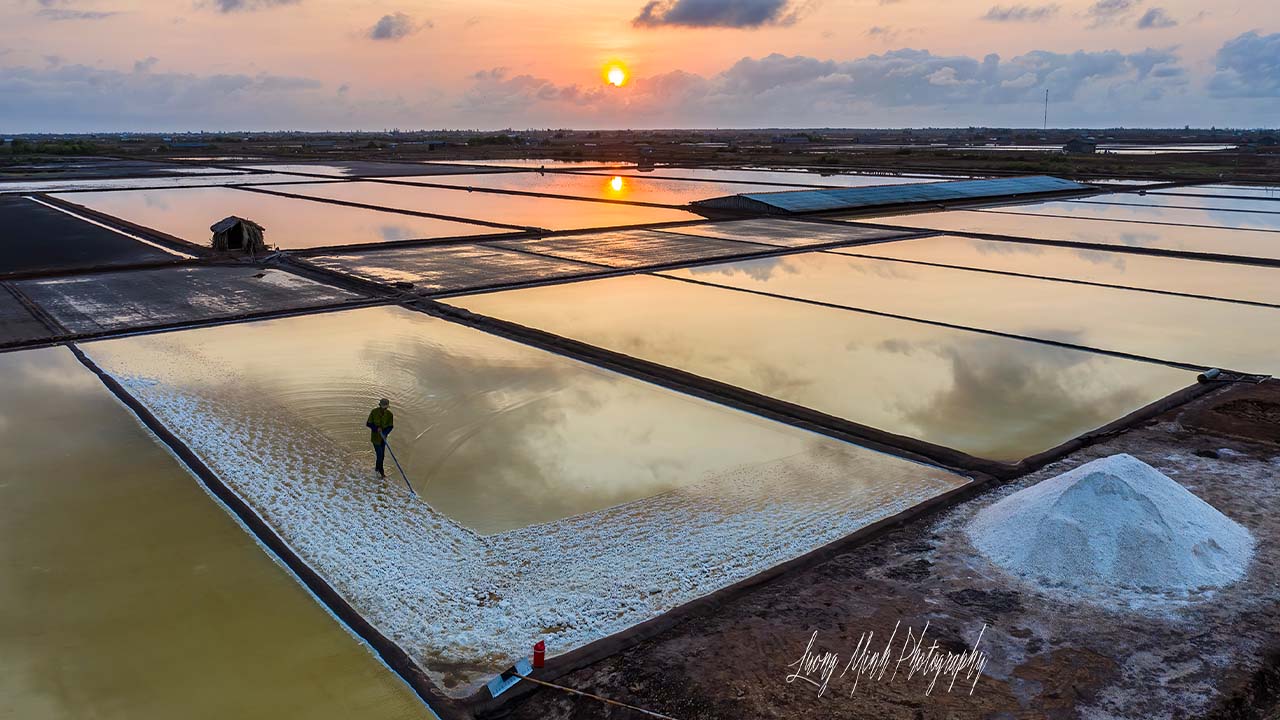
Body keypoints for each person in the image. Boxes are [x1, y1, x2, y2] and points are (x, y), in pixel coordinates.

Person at [366, 398, 394, 477]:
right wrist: (376, 428)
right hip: (375, 438)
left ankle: (377, 469)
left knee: (382, 455)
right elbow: (368, 424)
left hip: (383, 438)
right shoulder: (374, 412)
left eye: (385, 407)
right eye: (383, 407)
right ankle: (381, 472)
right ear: (380, 406)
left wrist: (385, 433)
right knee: (380, 455)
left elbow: (390, 426)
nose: (384, 409)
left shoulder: (389, 414)